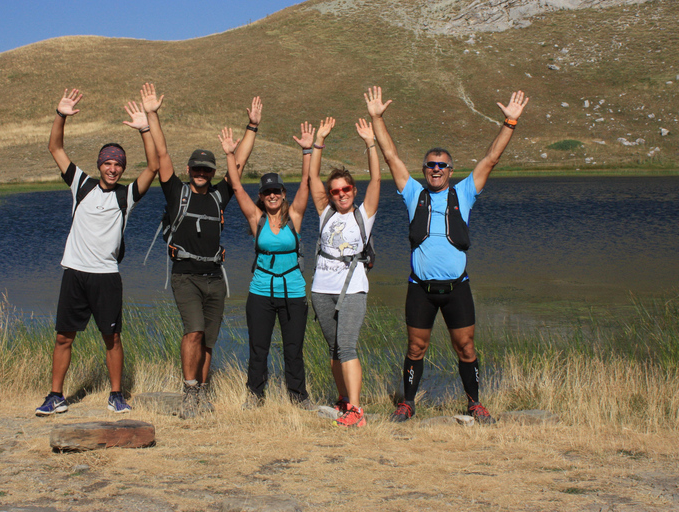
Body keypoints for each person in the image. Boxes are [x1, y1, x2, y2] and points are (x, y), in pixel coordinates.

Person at [365, 86, 529, 424]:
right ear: (424, 170)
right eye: (430, 165)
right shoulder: (412, 193)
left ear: (451, 171)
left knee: (466, 348)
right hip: (420, 289)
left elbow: (491, 159)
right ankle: (407, 404)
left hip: (457, 288)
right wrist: (377, 118)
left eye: (442, 165)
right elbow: (391, 156)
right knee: (415, 348)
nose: (436, 169)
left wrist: (509, 122)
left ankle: (475, 404)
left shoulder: (465, 193)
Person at [35, 87, 162, 416]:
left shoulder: (126, 197)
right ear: (99, 165)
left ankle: (116, 395)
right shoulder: (81, 184)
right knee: (64, 337)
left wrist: (145, 128)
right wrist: (61, 114)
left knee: (112, 338)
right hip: (74, 272)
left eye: (117, 164)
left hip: (107, 276)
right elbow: (55, 147)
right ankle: (55, 396)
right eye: (107, 162)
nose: (112, 168)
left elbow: (153, 166)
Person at [143, 85, 261, 419]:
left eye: (206, 170)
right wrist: (153, 114)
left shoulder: (218, 196)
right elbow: (162, 155)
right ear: (189, 169)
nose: (201, 174)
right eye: (196, 169)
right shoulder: (176, 191)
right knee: (193, 331)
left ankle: (203, 393)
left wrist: (251, 126)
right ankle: (189, 393)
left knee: (208, 339)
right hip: (185, 276)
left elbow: (239, 161)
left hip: (215, 279)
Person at [218, 121, 314, 409]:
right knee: (258, 348)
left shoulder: (294, 216)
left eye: (276, 191)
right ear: (261, 196)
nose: (272, 195)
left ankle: (299, 398)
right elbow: (235, 186)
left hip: (293, 292)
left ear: (283, 193)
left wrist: (307, 150)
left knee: (293, 349)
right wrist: (229, 154)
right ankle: (255, 396)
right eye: (266, 191)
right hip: (261, 292)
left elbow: (307, 183)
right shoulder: (255, 219)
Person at [308, 116, 381, 428]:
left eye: (346, 189)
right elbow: (311, 177)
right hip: (321, 290)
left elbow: (377, 179)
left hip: (352, 290)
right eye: (335, 191)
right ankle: (344, 400)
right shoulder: (325, 213)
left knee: (347, 345)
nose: (341, 194)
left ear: (354, 189)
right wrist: (318, 140)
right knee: (334, 347)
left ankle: (357, 410)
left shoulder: (364, 215)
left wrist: (370, 143)